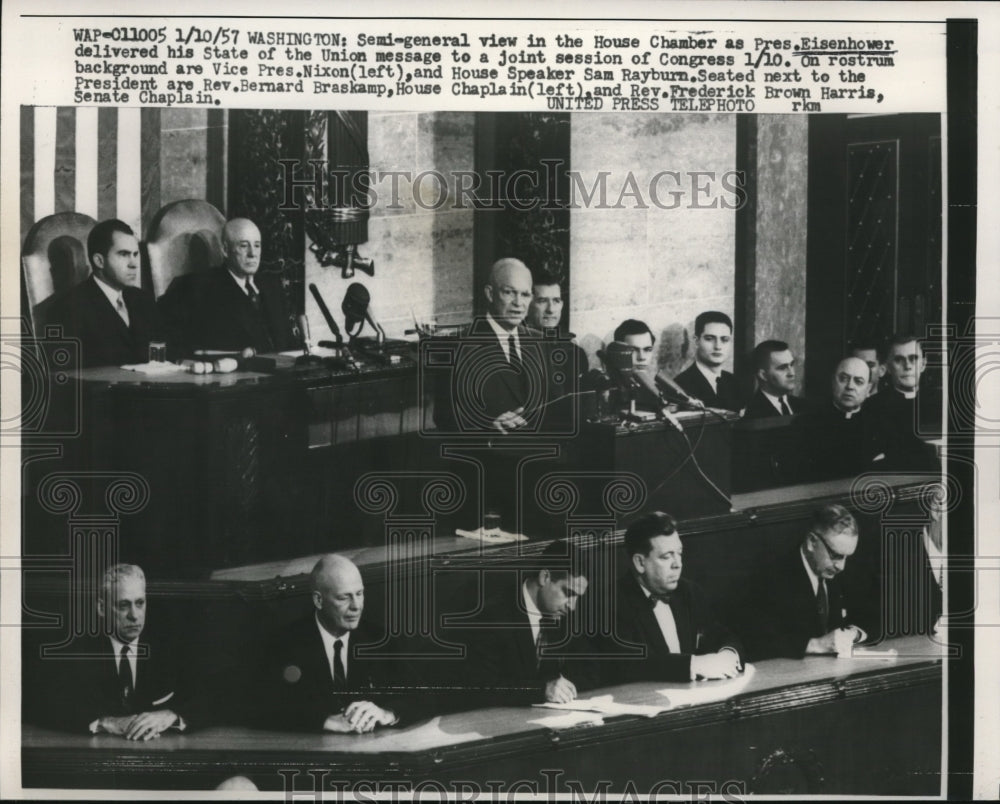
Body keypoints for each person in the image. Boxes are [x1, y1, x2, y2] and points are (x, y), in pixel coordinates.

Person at [257, 554, 415, 733]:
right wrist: (324, 721)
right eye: (343, 597)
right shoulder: (284, 643)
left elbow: (423, 696)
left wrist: (387, 713)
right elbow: (256, 705)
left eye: (359, 594)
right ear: (318, 600)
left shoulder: (378, 639)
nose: (356, 606)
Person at [38, 564, 193, 738]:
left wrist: (171, 715)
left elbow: (210, 698)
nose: (134, 615)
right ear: (101, 608)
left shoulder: (170, 646)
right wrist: (106, 722)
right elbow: (42, 704)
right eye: (123, 605)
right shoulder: (76, 650)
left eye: (140, 603)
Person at [596, 512, 744, 685]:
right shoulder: (609, 602)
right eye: (666, 556)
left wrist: (728, 654)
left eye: (679, 553)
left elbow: (720, 635)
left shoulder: (689, 592)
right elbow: (629, 664)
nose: (677, 564)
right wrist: (693, 665)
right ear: (640, 563)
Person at [454, 539, 594, 708]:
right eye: (568, 593)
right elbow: (479, 687)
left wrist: (563, 685)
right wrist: (541, 690)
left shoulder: (561, 613)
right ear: (545, 577)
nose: (572, 606)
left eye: (577, 597)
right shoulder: (491, 616)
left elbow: (588, 670)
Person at [433, 258, 563, 434]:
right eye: (509, 292)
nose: (518, 303)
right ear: (490, 293)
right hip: (490, 449)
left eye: (525, 295)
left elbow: (556, 402)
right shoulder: (459, 347)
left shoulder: (540, 341)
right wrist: (486, 424)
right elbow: (444, 417)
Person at [740, 505, 875, 661]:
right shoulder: (771, 577)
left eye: (846, 557)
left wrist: (853, 633)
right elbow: (752, 639)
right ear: (812, 542)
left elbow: (874, 613)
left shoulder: (844, 567)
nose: (841, 566)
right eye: (835, 555)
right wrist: (814, 645)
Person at [159, 217, 297, 356]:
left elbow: (288, 343)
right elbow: (170, 342)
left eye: (257, 245)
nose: (252, 254)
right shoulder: (198, 287)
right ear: (225, 250)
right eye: (244, 246)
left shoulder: (272, 286)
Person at [49, 219, 165, 367]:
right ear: (99, 261)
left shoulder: (143, 300)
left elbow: (161, 357)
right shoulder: (68, 308)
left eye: (135, 254)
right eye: (124, 254)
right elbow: (68, 373)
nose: (134, 264)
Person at [863, 334, 941, 470]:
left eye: (913, 358)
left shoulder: (940, 402)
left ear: (923, 364)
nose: (907, 366)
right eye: (899, 360)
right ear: (888, 366)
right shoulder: (872, 407)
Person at [799, 356, 880, 480]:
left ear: (868, 390)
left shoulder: (879, 425)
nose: (850, 386)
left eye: (858, 381)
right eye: (843, 379)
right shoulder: (806, 424)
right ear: (833, 381)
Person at [673, 311, 739, 411]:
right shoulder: (680, 386)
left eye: (724, 339)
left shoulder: (734, 382)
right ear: (696, 341)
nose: (718, 346)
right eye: (709, 339)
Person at [742, 340, 812, 419]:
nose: (792, 373)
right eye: (782, 368)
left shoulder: (806, 407)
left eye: (792, 365)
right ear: (763, 375)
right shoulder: (752, 414)